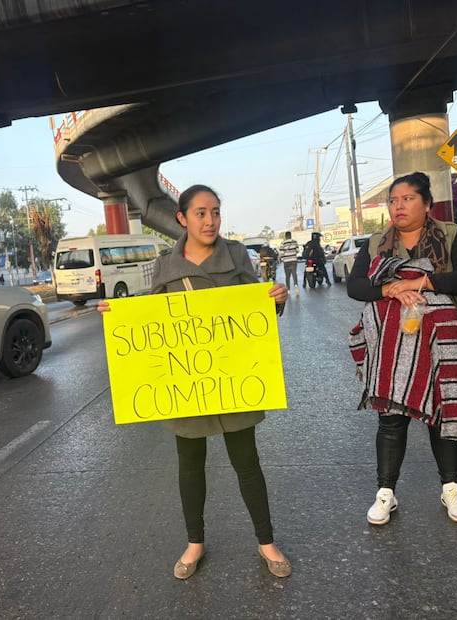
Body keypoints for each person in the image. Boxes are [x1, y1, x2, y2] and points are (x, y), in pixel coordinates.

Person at [98, 184, 292, 579]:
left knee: (248, 465)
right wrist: (116, 316)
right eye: (201, 213)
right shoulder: (166, 264)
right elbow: (152, 319)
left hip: (234, 380)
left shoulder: (238, 255)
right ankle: (195, 542)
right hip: (187, 385)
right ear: (182, 219)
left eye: (216, 212)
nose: (210, 220)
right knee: (190, 467)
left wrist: (276, 301)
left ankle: (266, 541)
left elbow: (256, 320)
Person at [347, 171, 457, 527]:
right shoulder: (376, 243)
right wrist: (390, 290)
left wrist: (418, 281)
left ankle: (451, 487)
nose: (398, 206)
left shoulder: (451, 236)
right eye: (393, 200)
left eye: (407, 199)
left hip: (442, 343)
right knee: (390, 419)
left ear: (427, 203)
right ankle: (385, 492)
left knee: (443, 414)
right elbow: (356, 286)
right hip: (391, 344)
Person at [279, 231, 300, 296]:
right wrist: (293, 254)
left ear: (286, 236)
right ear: (290, 235)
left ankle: (288, 290)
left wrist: (283, 259)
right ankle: (296, 286)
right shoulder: (295, 242)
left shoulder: (283, 243)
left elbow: (281, 253)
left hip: (286, 261)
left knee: (287, 276)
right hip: (293, 260)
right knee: (294, 274)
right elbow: (297, 250)